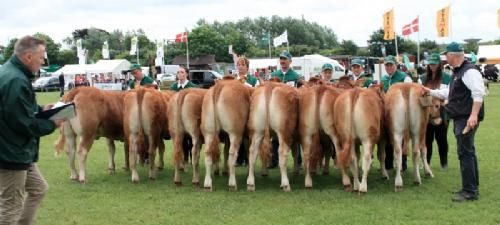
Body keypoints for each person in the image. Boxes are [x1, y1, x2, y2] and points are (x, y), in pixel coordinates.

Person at [0, 35, 63, 225]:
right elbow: (24, 123)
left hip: (17, 151)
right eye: (42, 56)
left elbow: (16, 109)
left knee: (38, 189)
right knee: (10, 207)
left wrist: (43, 110)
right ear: (28, 57)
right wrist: (53, 122)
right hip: (11, 153)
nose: (44, 61)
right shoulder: (16, 80)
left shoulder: (10, 73)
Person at [423, 42, 485, 202]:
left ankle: (470, 191)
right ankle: (471, 186)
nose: (445, 58)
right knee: (468, 152)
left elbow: (479, 93)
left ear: (453, 55)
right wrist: (430, 91)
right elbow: (448, 92)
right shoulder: (459, 72)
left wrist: (473, 116)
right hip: (461, 117)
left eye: (447, 55)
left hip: (466, 118)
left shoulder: (469, 71)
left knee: (465, 153)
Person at [268, 51, 304, 168]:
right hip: (275, 110)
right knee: (274, 136)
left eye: (285, 59)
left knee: (295, 136)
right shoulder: (274, 75)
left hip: (291, 110)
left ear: (290, 61)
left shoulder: (296, 76)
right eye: (281, 59)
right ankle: (274, 160)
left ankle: (297, 160)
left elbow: (301, 93)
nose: (283, 61)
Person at [381, 55, 413, 171]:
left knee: (401, 137)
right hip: (386, 113)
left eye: (391, 65)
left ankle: (403, 163)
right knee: (388, 137)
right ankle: (388, 163)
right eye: (387, 65)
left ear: (396, 65)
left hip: (400, 112)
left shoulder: (405, 78)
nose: (389, 67)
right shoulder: (383, 79)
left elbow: (410, 94)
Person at [420, 53, 451, 169]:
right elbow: (420, 94)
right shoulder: (422, 78)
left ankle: (444, 162)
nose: (432, 66)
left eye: (434, 64)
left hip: (442, 112)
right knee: (427, 138)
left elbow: (449, 94)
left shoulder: (447, 77)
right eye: (430, 64)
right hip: (426, 112)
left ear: (439, 64)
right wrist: (428, 105)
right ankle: (426, 162)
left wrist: (444, 102)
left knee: (441, 138)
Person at [232, 57, 259, 166]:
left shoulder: (253, 80)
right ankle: (238, 158)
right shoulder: (234, 80)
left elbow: (256, 93)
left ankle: (248, 158)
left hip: (249, 110)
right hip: (236, 111)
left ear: (247, 67)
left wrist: (245, 85)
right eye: (238, 65)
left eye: (242, 65)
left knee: (248, 136)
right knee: (237, 135)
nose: (240, 67)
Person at [170, 66, 198, 166]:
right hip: (177, 118)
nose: (180, 74)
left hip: (190, 117)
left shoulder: (193, 87)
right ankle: (184, 158)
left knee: (191, 139)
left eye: (182, 72)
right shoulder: (173, 87)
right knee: (181, 140)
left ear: (186, 74)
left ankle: (192, 157)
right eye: (178, 72)